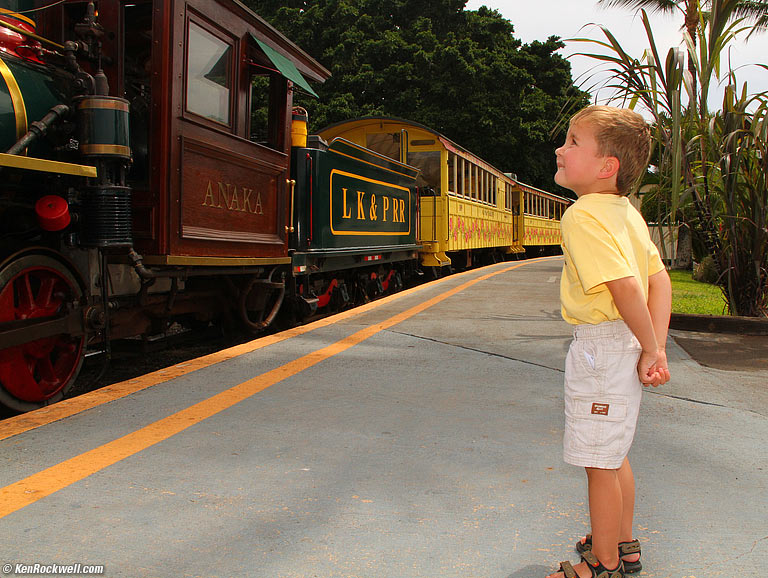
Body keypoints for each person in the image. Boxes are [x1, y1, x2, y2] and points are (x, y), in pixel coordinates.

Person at [546, 106, 672, 578]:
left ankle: (604, 563)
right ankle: (622, 541)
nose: (561, 148)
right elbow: (659, 284)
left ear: (607, 167)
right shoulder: (628, 214)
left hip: (601, 348)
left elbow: (625, 288)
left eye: (574, 141)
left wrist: (653, 348)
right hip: (624, 345)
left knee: (596, 461)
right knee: (613, 453)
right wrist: (651, 345)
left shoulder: (582, 216)